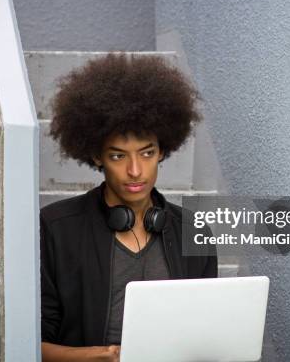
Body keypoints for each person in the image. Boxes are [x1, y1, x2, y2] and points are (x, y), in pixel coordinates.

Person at [40, 53, 218, 362]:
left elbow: (208, 332)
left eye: (147, 153)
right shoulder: (57, 228)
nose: (135, 171)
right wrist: (89, 357)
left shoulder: (193, 230)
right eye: (118, 156)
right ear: (97, 156)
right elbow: (29, 342)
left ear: (163, 150)